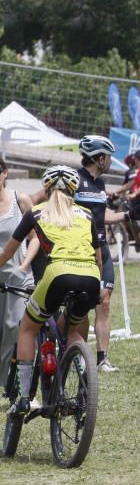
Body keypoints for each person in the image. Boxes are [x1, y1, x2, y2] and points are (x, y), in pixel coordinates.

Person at [2, 166, 101, 415]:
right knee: (72, 331)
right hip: (91, 278)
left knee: (27, 327)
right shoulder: (88, 215)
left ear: (46, 189)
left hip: (57, 275)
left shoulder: (36, 212)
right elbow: (98, 259)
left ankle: (25, 397)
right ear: (74, 190)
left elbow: (8, 253)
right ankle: (82, 376)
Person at [30, 135, 127, 373]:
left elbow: (98, 218)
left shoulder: (101, 185)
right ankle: (71, 348)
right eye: (110, 158)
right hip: (76, 250)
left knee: (103, 301)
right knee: (80, 304)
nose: (111, 162)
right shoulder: (72, 179)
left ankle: (102, 358)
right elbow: (37, 201)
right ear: (101, 158)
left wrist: (128, 215)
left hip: (100, 247)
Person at [0, 156, 35, 373]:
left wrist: (24, 267)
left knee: (14, 327)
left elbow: (36, 238)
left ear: (4, 173)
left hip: (17, 276)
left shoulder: (20, 200)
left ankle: (9, 384)